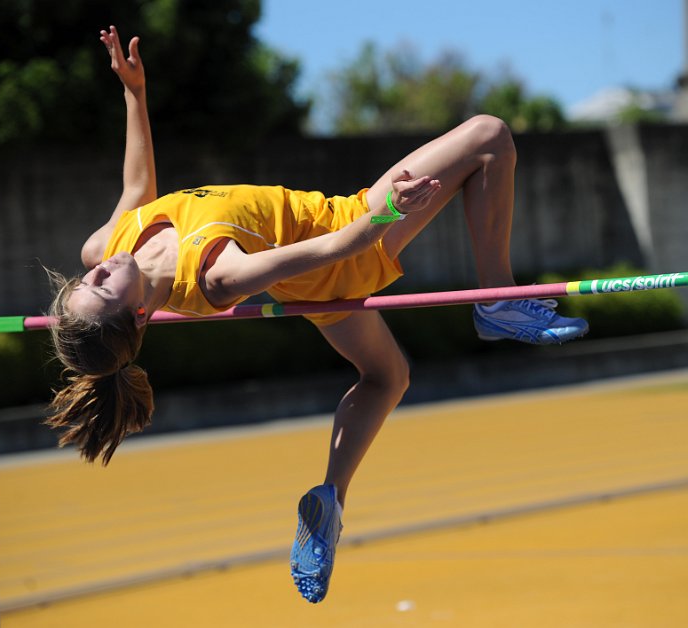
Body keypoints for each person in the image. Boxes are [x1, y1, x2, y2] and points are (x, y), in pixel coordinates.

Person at [46, 26, 588, 604]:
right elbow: (329, 251)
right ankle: (497, 301)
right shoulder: (215, 274)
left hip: (323, 276)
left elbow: (138, 185)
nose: (97, 272)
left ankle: (331, 500)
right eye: (101, 288)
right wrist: (387, 216)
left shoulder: (106, 248)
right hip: (345, 237)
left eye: (87, 280)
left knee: (388, 377)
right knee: (490, 136)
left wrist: (134, 93)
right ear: (136, 318)